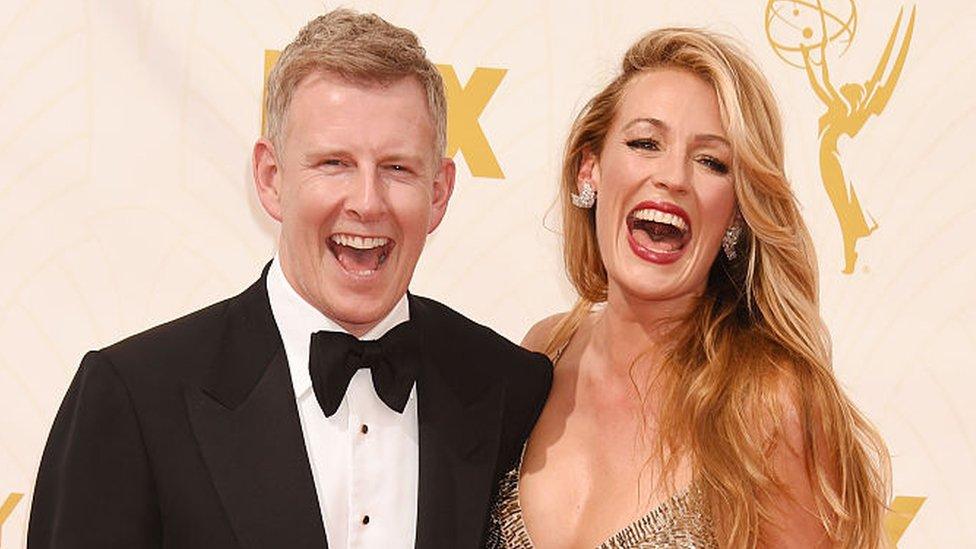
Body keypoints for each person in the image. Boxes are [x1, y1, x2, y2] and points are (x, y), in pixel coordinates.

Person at [28, 9, 552, 549]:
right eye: (333, 163)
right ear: (271, 179)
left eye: (397, 168)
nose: (367, 203)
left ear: (439, 192)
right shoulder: (134, 397)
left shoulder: (508, 390)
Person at [487, 28, 889, 548]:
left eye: (711, 162)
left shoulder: (772, 408)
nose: (673, 177)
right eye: (644, 143)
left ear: (738, 212)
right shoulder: (544, 352)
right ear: (590, 169)